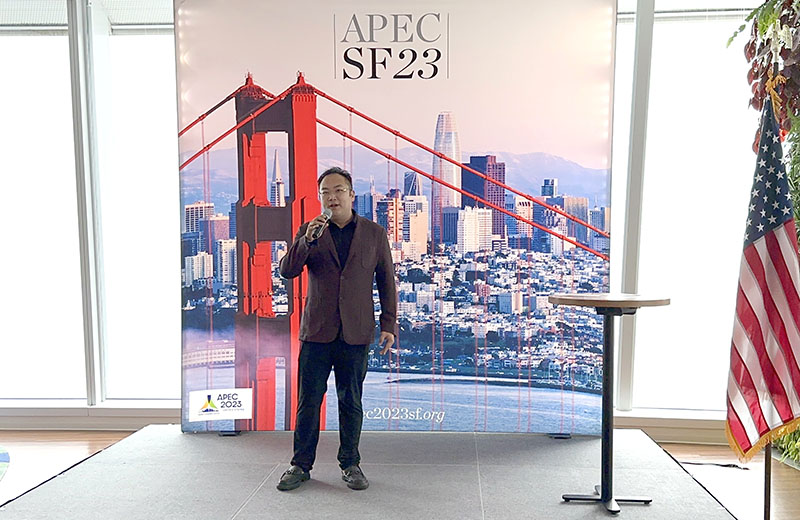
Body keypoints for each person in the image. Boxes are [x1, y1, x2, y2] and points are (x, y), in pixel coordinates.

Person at [276, 166, 397, 491]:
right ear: (320, 198)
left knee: (351, 401)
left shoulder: (374, 233)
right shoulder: (310, 231)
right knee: (308, 402)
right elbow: (287, 271)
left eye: (339, 190)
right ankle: (300, 465)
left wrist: (389, 324)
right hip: (317, 331)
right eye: (326, 192)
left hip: (356, 332)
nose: (332, 197)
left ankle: (350, 464)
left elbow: (386, 280)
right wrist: (306, 241)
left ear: (352, 195)